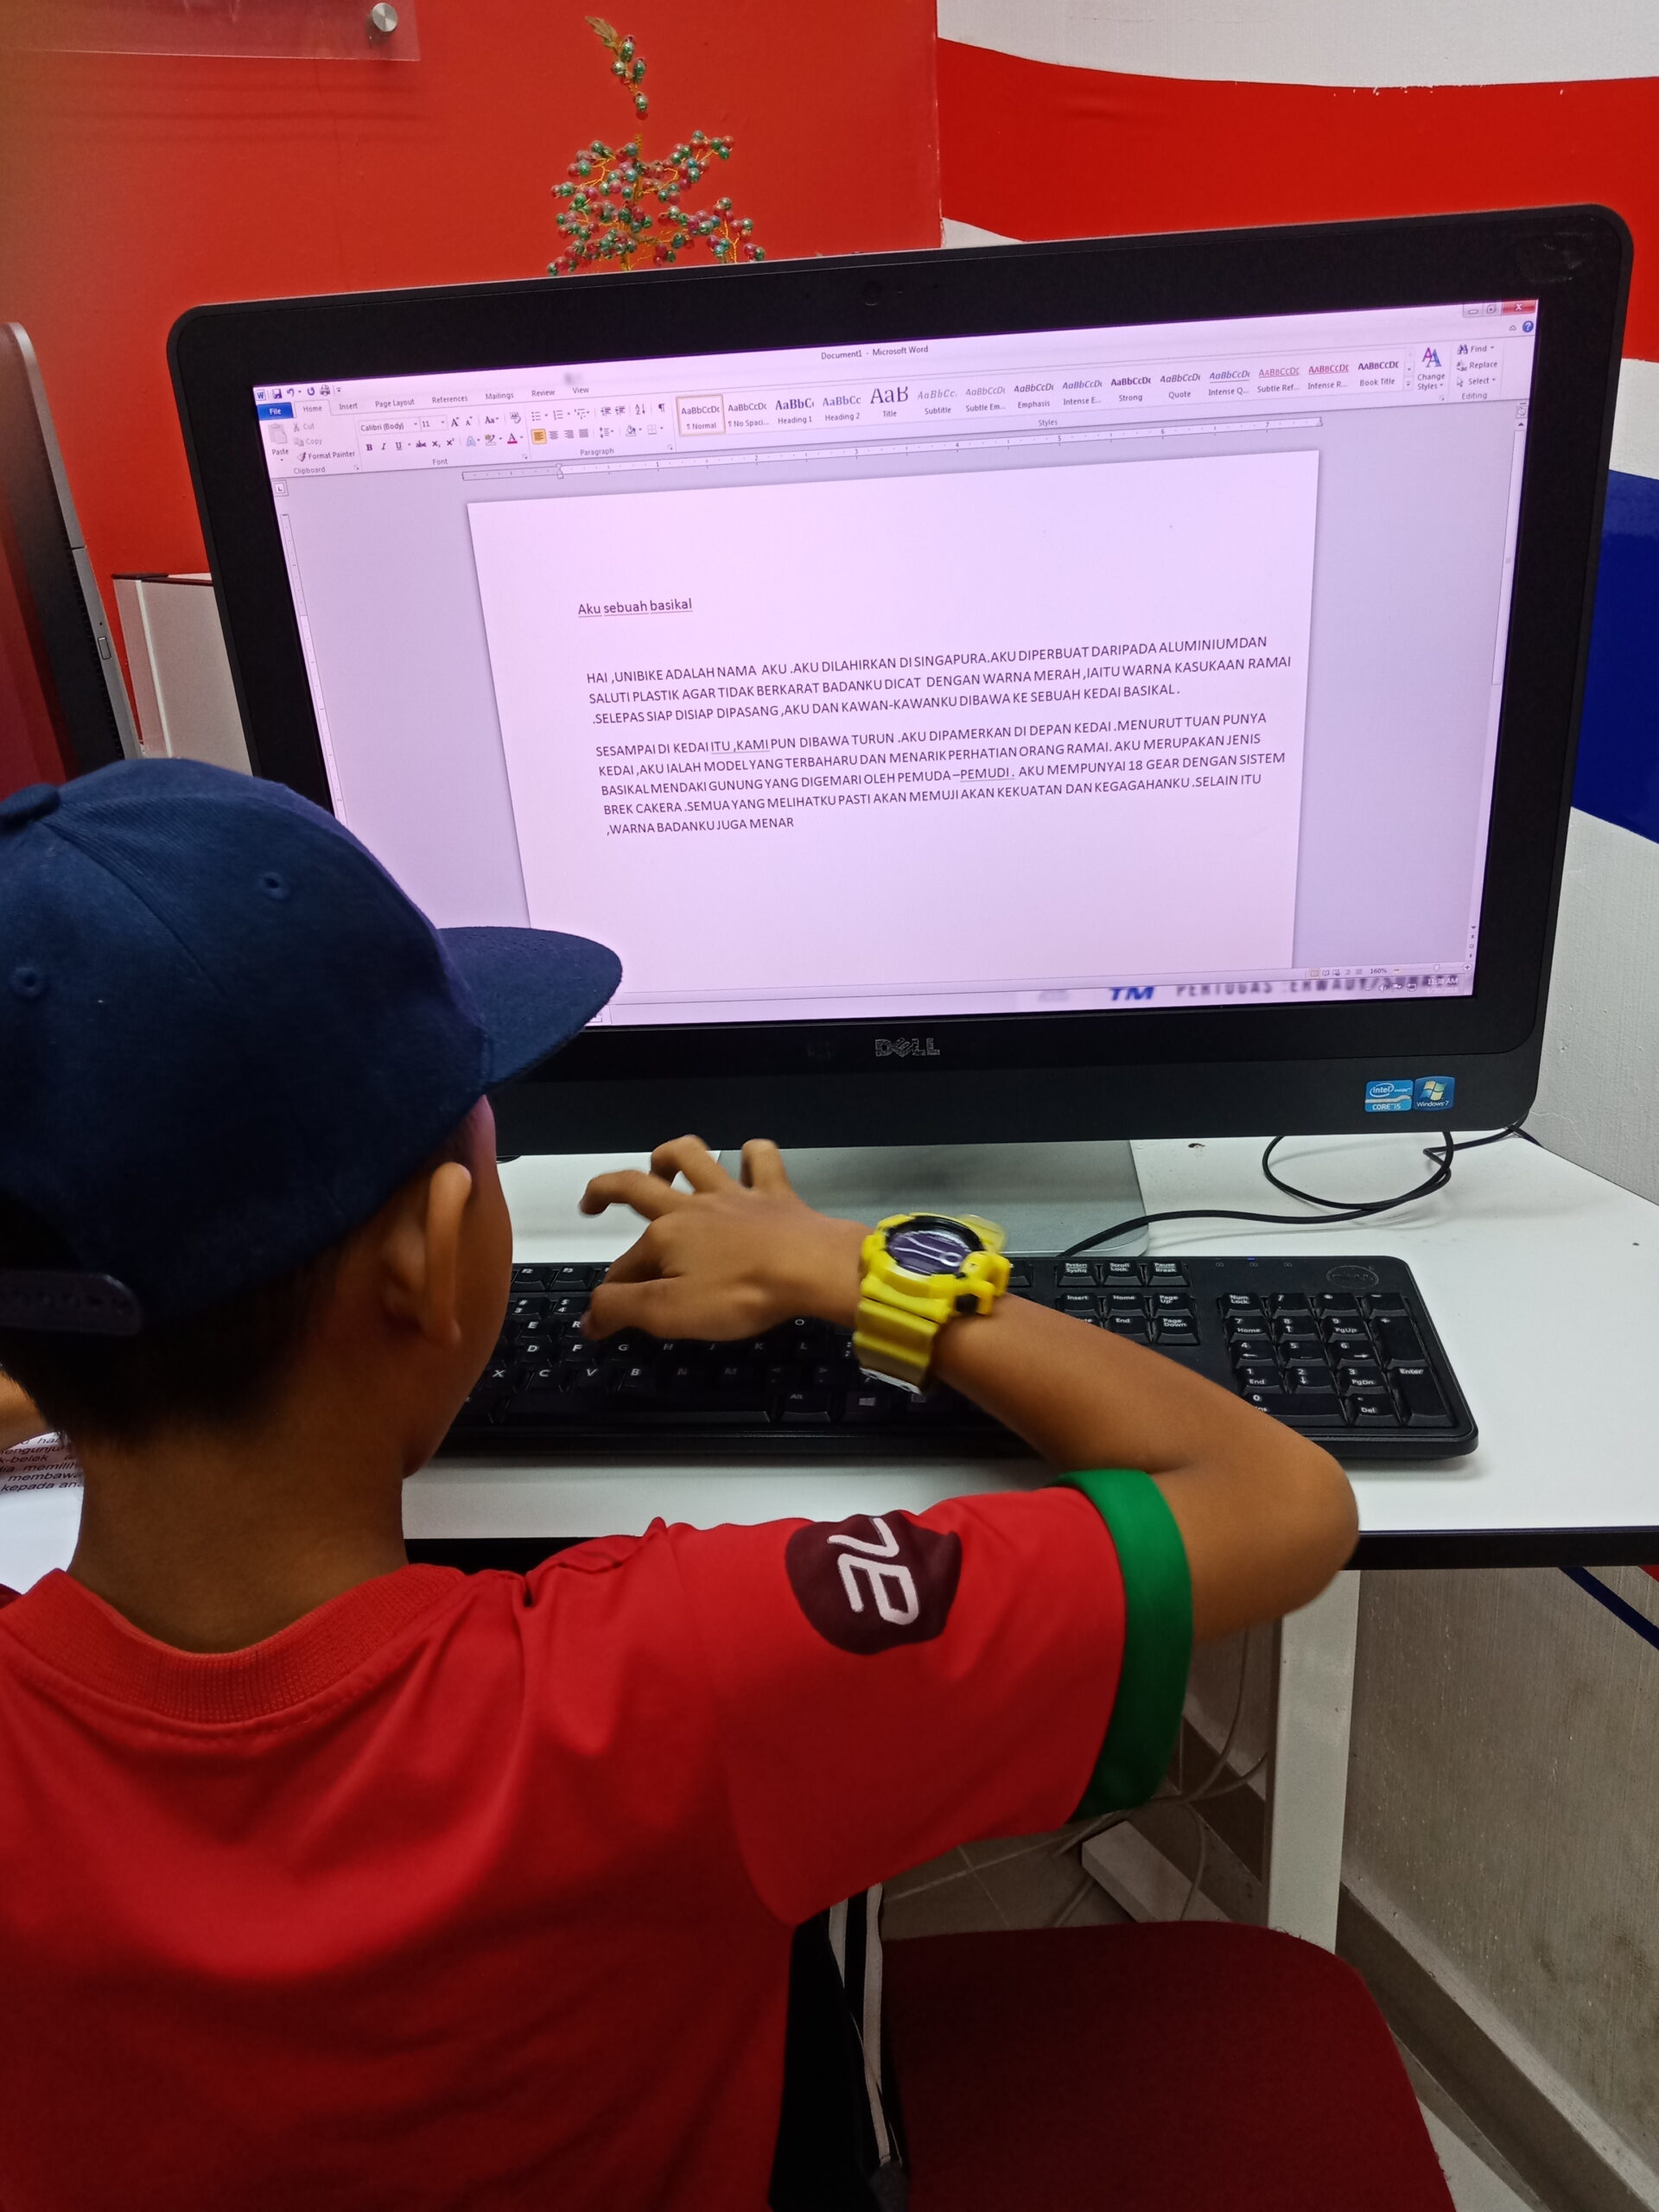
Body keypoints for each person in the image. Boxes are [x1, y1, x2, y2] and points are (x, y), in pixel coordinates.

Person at [0, 761, 1357, 2212]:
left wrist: (76, 1349)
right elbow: (1280, 1502)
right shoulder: (681, 1681)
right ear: (433, 1254)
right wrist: (857, 1266)